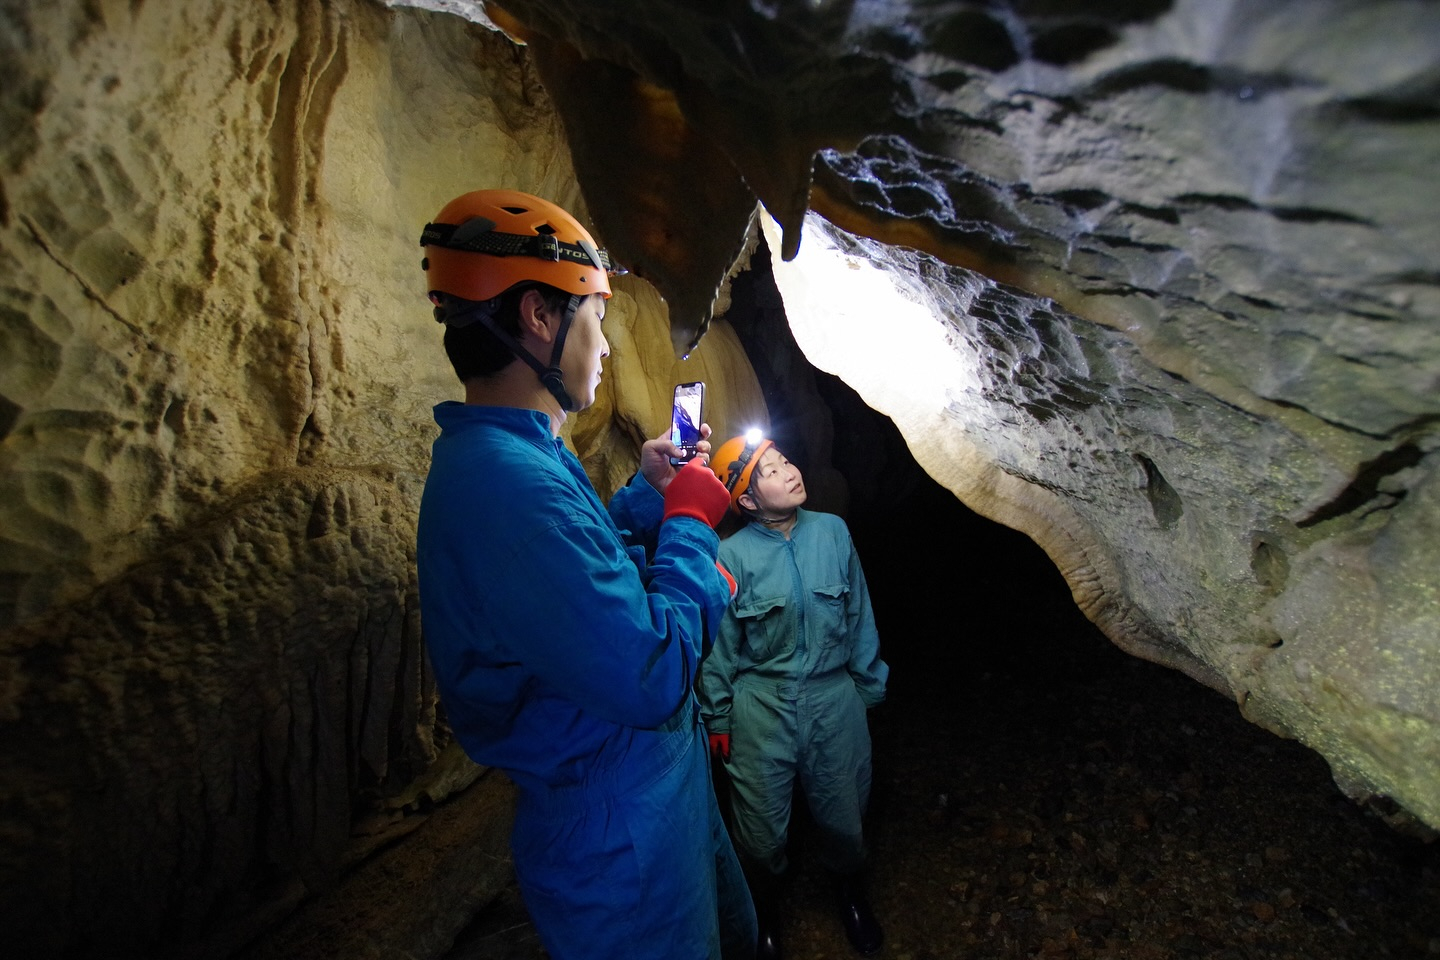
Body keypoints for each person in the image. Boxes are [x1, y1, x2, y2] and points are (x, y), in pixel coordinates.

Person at [414, 189, 757, 960]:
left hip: (650, 792)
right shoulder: (511, 488)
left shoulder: (517, 455)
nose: (603, 347)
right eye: (596, 318)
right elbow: (650, 674)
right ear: (539, 315)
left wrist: (648, 496)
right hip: (622, 838)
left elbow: (577, 582)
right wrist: (690, 525)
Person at [699, 431, 889, 959]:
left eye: (785, 461)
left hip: (833, 695)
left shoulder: (832, 532)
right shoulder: (729, 555)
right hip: (762, 705)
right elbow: (720, 646)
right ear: (747, 501)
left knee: (845, 815)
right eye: (771, 471)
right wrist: (718, 718)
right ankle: (764, 911)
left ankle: (850, 891)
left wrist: (868, 688)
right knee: (760, 834)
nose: (790, 471)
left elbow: (859, 614)